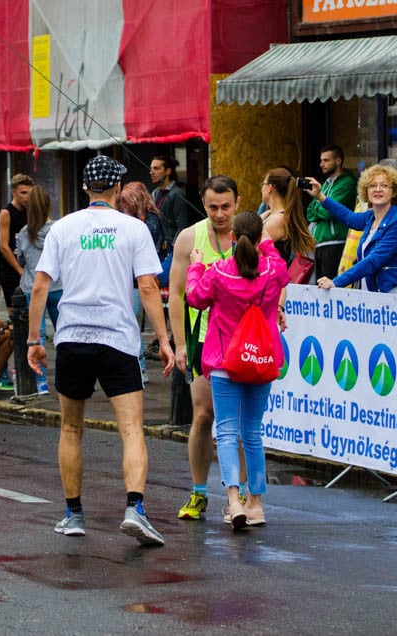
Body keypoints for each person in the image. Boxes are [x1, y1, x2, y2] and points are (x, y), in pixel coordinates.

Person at [26, 155, 175, 546]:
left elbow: (40, 286)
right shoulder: (133, 228)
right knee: (130, 430)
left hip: (73, 336)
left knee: (71, 428)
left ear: (84, 188)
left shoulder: (63, 228)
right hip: (117, 339)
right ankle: (134, 509)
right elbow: (146, 288)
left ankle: (73, 514)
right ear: (116, 188)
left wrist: (33, 339)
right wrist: (163, 339)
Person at [186, 211, 289, 529]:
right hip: (261, 359)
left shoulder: (218, 272)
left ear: (233, 237)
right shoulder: (273, 269)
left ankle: (233, 499)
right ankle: (255, 503)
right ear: (259, 239)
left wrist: (195, 265)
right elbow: (282, 270)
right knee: (253, 433)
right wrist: (268, 244)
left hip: (225, 361)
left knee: (227, 432)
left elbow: (195, 297)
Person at [170, 175, 240, 520]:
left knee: (237, 420)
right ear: (203, 203)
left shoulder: (248, 236)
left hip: (241, 339)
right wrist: (180, 344)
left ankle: (239, 497)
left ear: (237, 203)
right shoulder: (190, 237)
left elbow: (274, 279)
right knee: (203, 415)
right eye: (213, 207)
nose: (220, 213)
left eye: (226, 206)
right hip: (202, 340)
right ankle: (199, 492)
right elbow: (178, 294)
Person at [308, 163, 397, 294]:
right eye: (373, 185)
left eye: (384, 185)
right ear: (366, 191)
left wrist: (337, 282)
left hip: (393, 292)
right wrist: (320, 196)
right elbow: (348, 217)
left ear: (394, 192)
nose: (378, 189)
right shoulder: (371, 216)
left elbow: (373, 260)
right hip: (372, 290)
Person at [16, 184, 62, 395]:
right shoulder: (59, 230)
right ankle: (68, 379)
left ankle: (41, 384)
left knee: (37, 337)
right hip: (58, 286)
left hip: (32, 288)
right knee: (64, 335)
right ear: (48, 205)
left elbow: (21, 259)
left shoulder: (24, 234)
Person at [120, 181, 166, 385]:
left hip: (142, 281)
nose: (124, 206)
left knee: (131, 323)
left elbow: (147, 251)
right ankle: (137, 367)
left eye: (127, 202)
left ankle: (140, 368)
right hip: (132, 280)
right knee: (130, 323)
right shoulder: (135, 221)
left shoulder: (149, 221)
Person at [305, 144, 358, 280]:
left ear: (338, 161)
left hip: (335, 244)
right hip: (319, 244)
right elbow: (309, 212)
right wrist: (320, 206)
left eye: (326, 160)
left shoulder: (347, 182)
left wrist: (320, 206)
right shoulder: (326, 183)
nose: (321, 164)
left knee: (330, 290)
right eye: (321, 160)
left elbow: (329, 211)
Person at [260, 167, 316, 266]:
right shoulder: (269, 214)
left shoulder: (278, 219)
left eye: (263, 184)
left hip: (271, 278)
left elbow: (252, 248)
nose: (261, 188)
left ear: (270, 188)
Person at [0, 173, 33, 310]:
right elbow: (3, 246)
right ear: (14, 192)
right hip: (10, 270)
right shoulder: (6, 213)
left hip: (28, 265)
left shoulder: (30, 211)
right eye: (23, 193)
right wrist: (19, 270)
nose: (27, 197)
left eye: (29, 193)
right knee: (15, 314)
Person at [149, 155, 189, 249]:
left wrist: (174, 243)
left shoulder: (176, 194)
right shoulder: (155, 193)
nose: (151, 172)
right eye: (151, 169)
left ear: (168, 171)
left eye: (156, 168)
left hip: (172, 247)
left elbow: (182, 225)